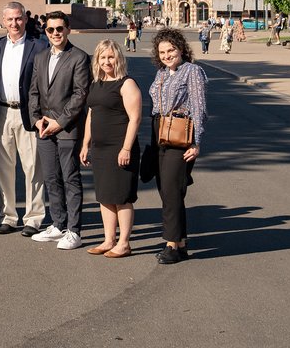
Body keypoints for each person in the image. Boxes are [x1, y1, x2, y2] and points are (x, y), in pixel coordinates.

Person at [28, 11, 91, 251]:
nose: (55, 33)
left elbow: (80, 95)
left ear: (68, 30)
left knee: (70, 178)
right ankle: (58, 224)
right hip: (44, 128)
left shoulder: (79, 57)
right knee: (51, 178)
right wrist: (36, 119)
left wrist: (60, 122)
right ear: (45, 32)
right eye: (51, 30)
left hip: (68, 128)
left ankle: (74, 231)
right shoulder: (41, 57)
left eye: (59, 29)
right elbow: (33, 91)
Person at [0, 2, 46, 237]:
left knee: (32, 167)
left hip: (28, 113)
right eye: (9, 19)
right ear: (3, 20)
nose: (14, 23)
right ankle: (8, 216)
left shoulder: (39, 46)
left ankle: (34, 217)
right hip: (1, 111)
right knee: (4, 168)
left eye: (18, 18)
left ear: (25, 19)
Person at [149, 28, 208, 264]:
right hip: (160, 132)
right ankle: (181, 242)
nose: (167, 55)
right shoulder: (162, 73)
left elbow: (198, 106)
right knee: (166, 189)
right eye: (162, 52)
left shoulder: (192, 71)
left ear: (181, 49)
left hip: (180, 135)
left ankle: (171, 244)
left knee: (172, 191)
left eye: (171, 50)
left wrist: (197, 142)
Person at [80, 39, 141, 257]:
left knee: (121, 196)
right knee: (105, 196)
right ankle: (108, 240)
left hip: (120, 147)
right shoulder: (97, 83)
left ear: (118, 58)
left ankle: (124, 243)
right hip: (100, 148)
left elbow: (135, 119)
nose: (107, 61)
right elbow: (91, 114)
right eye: (102, 57)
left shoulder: (127, 84)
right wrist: (85, 144)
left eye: (110, 57)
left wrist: (126, 148)